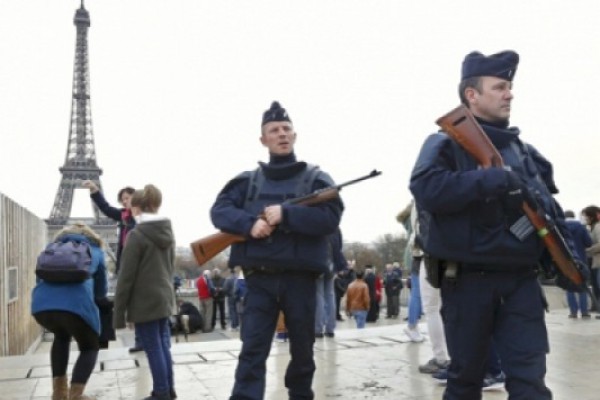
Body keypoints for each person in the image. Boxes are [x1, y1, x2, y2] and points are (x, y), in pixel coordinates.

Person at [410, 50, 583, 399]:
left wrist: (567, 260)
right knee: (465, 382)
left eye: (510, 86)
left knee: (530, 381)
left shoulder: (525, 152)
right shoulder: (444, 143)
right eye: (500, 87)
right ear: (471, 95)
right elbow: (426, 188)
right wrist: (491, 180)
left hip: (521, 283)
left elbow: (548, 210)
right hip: (469, 283)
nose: (509, 94)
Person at [210, 101, 343, 400]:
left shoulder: (317, 179)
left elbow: (331, 218)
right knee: (252, 350)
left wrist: (287, 215)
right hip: (259, 281)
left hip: (301, 280)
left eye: (286, 129)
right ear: (263, 139)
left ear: (295, 135)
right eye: (274, 130)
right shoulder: (247, 182)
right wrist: (249, 225)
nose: (281, 134)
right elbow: (219, 211)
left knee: (303, 352)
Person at [113, 185, 176, 400]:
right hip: (163, 297)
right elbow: (169, 267)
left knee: (153, 348)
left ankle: (161, 393)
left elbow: (126, 277)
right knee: (163, 346)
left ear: (138, 209)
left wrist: (119, 313)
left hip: (144, 301)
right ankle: (169, 389)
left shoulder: (136, 235)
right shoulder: (167, 231)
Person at [31, 222, 107, 400]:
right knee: (89, 346)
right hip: (76, 307)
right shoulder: (96, 251)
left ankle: (59, 392)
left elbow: (39, 279)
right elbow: (101, 291)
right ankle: (76, 395)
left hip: (42, 307)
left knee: (61, 336)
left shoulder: (51, 248)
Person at [82, 180, 143, 353]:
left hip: (137, 267)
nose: (124, 202)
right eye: (122, 199)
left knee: (138, 303)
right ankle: (141, 339)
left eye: (127, 198)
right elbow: (106, 208)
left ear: (136, 198)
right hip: (126, 266)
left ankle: (143, 339)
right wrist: (95, 191)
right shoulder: (123, 217)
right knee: (133, 303)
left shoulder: (140, 219)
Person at [315, 228, 347, 338]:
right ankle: (330, 328)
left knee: (319, 296)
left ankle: (318, 328)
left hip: (318, 264)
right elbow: (339, 246)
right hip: (331, 265)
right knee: (330, 296)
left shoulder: (315, 223)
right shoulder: (335, 227)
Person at [562, 210, 592, 318]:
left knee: (569, 287)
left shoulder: (561, 227)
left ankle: (573, 312)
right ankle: (584, 311)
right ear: (574, 216)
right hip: (581, 260)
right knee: (582, 285)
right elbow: (588, 243)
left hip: (566, 261)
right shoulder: (580, 227)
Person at [583, 205, 600, 317]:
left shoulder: (598, 226)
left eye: (586, 216)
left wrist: (587, 250)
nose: (585, 219)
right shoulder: (594, 227)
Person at [223, 267, 240, 331]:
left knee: (232, 311)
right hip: (237, 296)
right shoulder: (238, 278)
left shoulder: (228, 279)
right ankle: (237, 325)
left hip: (231, 296)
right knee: (237, 311)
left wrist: (227, 294)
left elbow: (225, 289)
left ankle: (233, 325)